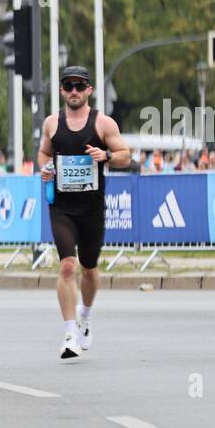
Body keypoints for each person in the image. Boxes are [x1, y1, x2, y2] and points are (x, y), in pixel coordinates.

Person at [37, 65, 130, 360]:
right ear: (62, 91)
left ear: (89, 90)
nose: (74, 91)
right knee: (67, 265)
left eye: (79, 86)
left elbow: (126, 156)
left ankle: (85, 317)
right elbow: (43, 153)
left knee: (89, 267)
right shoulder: (52, 123)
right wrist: (45, 168)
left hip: (91, 208)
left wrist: (107, 156)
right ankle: (69, 333)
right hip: (61, 207)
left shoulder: (103, 123)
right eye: (68, 86)